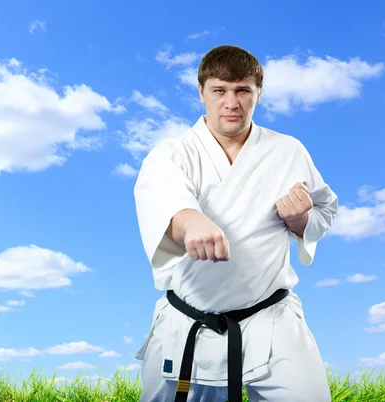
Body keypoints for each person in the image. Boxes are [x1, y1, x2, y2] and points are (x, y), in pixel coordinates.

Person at [133, 45, 338, 402]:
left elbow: (325, 211)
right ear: (202, 93)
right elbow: (165, 201)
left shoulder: (288, 151)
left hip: (270, 315)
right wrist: (191, 222)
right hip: (189, 318)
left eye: (242, 90)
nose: (231, 102)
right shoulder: (172, 153)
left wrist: (299, 218)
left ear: (258, 93)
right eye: (219, 91)